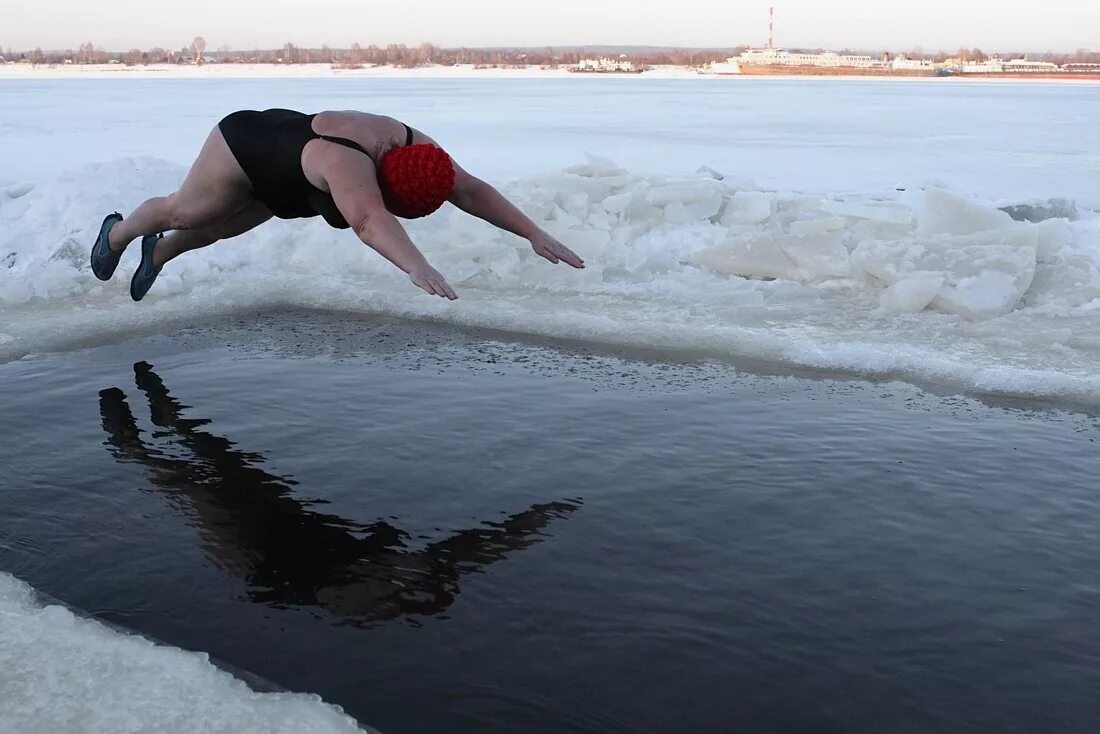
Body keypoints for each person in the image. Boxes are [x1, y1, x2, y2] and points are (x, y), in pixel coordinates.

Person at [89, 108, 584, 301]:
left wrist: (533, 232)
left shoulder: (423, 152)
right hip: (245, 150)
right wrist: (416, 266)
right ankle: (117, 233)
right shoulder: (348, 164)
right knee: (191, 213)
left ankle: (156, 255)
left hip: (294, 181)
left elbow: (471, 190)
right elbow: (369, 219)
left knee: (223, 229)